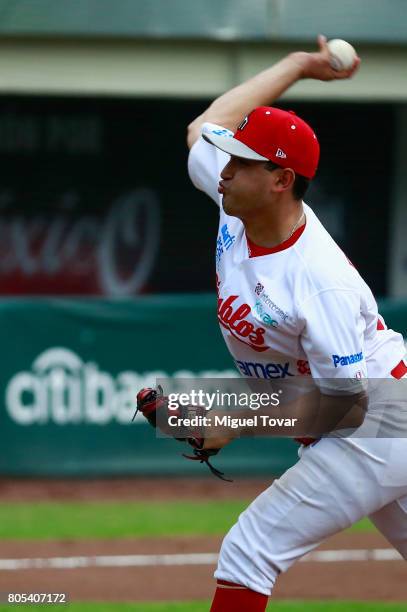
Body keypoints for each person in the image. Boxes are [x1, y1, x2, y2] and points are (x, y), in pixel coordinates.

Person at [184, 35, 407, 611]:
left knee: (249, 550)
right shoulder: (239, 203)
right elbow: (203, 127)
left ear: (281, 180)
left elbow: (349, 404)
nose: (224, 170)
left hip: (378, 420)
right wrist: (299, 67)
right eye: (227, 159)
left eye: (241, 162)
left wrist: (233, 419)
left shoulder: (317, 278)